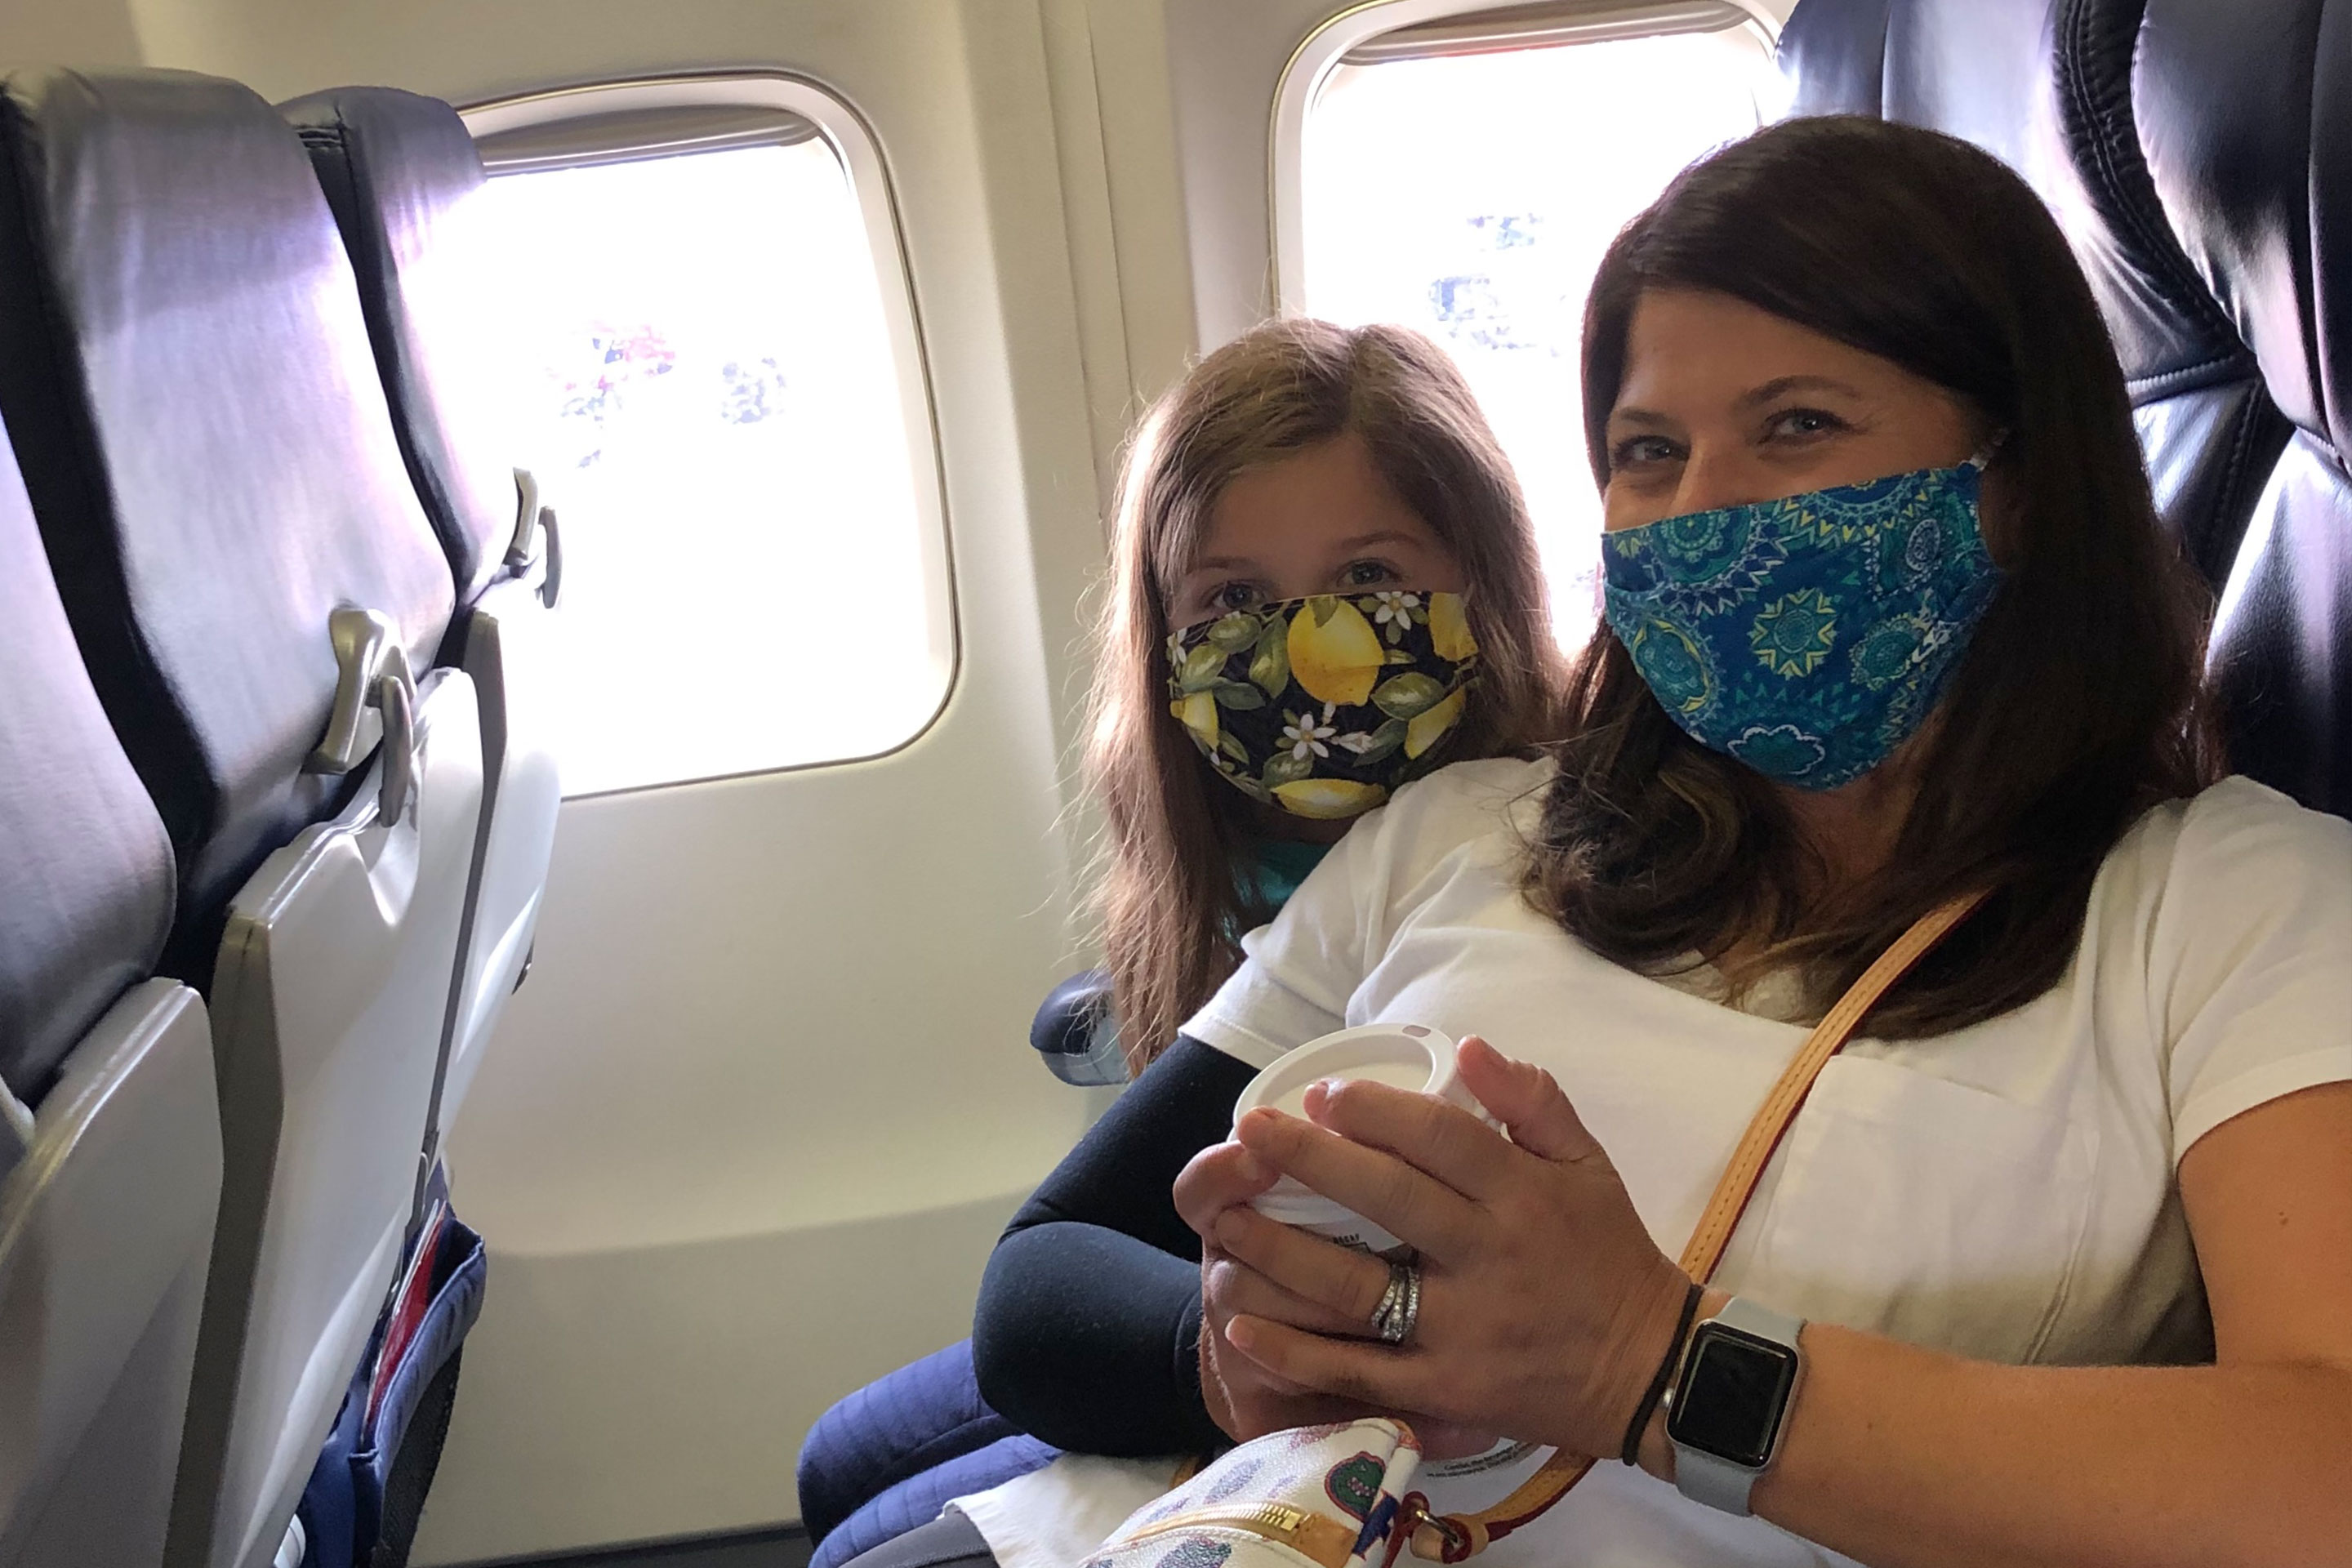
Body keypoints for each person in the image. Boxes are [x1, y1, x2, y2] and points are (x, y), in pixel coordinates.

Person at [871, 115, 2352, 1568]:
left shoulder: (2239, 901)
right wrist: (1247, 1355)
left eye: (1798, 425)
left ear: (2019, 483)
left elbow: (2321, 1476)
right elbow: (1055, 1266)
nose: (1701, 508)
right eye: (1649, 449)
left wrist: (1655, 1366)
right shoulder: (1467, 829)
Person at [798, 318, 1567, 1566]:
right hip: (1226, 1284)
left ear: (1479, 583)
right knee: (838, 1456)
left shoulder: (1506, 856)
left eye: (1372, 579)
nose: (1316, 648)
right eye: (1236, 600)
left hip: (1357, 1340)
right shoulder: (1212, 834)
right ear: (1167, 631)